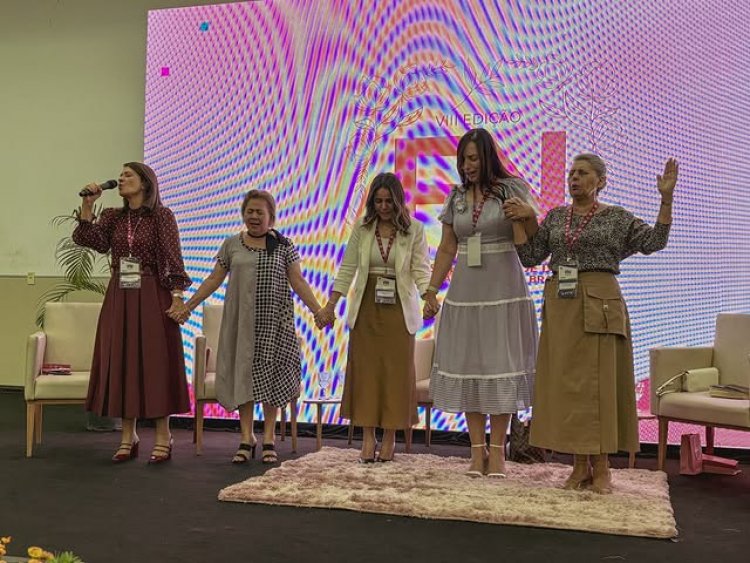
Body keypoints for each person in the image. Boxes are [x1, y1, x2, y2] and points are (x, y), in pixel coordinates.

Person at [504, 153, 678, 493]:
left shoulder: (616, 217)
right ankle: (579, 465)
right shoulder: (557, 216)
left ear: (600, 181)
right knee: (569, 387)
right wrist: (521, 220)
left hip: (600, 301)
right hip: (562, 305)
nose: (574, 178)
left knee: (597, 386)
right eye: (571, 172)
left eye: (582, 173)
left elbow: (655, 242)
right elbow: (530, 257)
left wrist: (666, 199)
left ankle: (602, 467)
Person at [170, 189, 325, 464]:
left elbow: (298, 281)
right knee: (244, 377)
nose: (254, 216)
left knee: (272, 378)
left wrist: (318, 311)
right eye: (249, 211)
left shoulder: (284, 246)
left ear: (271, 217)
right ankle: (246, 437)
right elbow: (213, 280)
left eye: (259, 212)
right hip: (241, 324)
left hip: (275, 325)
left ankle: (268, 438)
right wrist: (188, 306)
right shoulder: (231, 244)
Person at [422, 128, 539, 478]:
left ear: (487, 157)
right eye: (463, 160)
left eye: (473, 158)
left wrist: (528, 215)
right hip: (466, 290)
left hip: (504, 288)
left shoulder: (512, 188)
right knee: (470, 365)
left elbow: (533, 241)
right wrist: (431, 290)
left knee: (499, 365)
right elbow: (447, 247)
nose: (467, 166)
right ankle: (477, 451)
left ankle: (498, 452)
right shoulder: (456, 197)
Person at [73, 162, 191, 464]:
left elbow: (173, 258)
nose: (121, 178)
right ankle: (128, 436)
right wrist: (88, 205)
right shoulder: (114, 216)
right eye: (121, 175)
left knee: (155, 362)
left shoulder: (161, 216)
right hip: (120, 293)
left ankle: (163, 435)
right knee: (122, 359)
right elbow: (88, 240)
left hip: (152, 291)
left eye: (128, 175)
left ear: (145, 183)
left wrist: (178, 297)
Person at [317, 173, 431, 463]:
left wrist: (429, 296)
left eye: (388, 201)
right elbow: (347, 268)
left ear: (398, 201)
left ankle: (390, 437)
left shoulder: (414, 230)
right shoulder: (362, 228)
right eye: (378, 201)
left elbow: (420, 269)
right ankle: (368, 438)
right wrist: (331, 304)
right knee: (366, 373)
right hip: (367, 307)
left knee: (395, 374)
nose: (383, 207)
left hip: (399, 310)